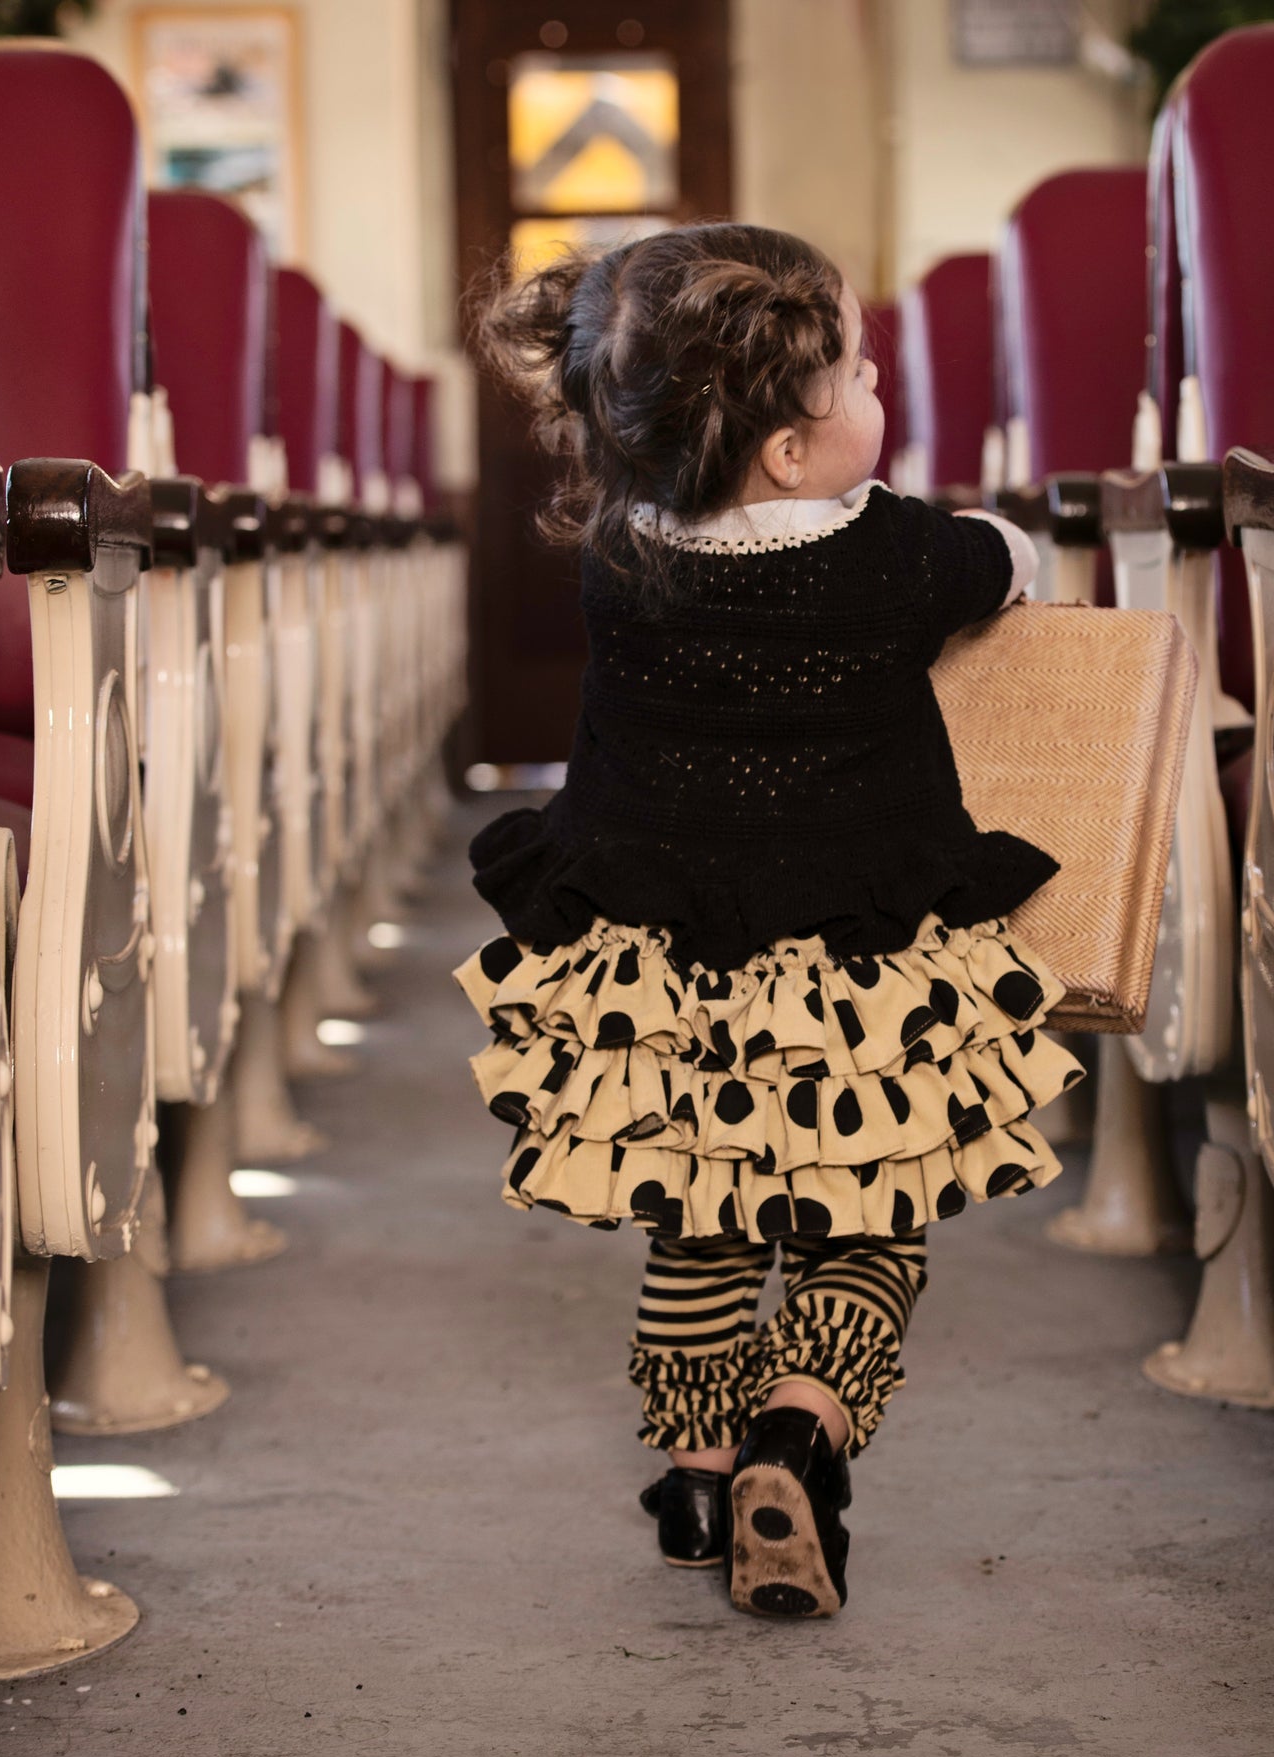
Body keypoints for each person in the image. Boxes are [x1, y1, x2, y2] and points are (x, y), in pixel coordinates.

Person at [454, 224, 1083, 1622]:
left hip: (664, 984)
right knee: (870, 1224)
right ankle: (798, 1429)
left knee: (698, 1227)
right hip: (857, 985)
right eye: (857, 374)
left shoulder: (620, 556)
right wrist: (998, 544)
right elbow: (1008, 560)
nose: (878, 393)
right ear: (791, 452)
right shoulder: (895, 556)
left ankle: (692, 1478)